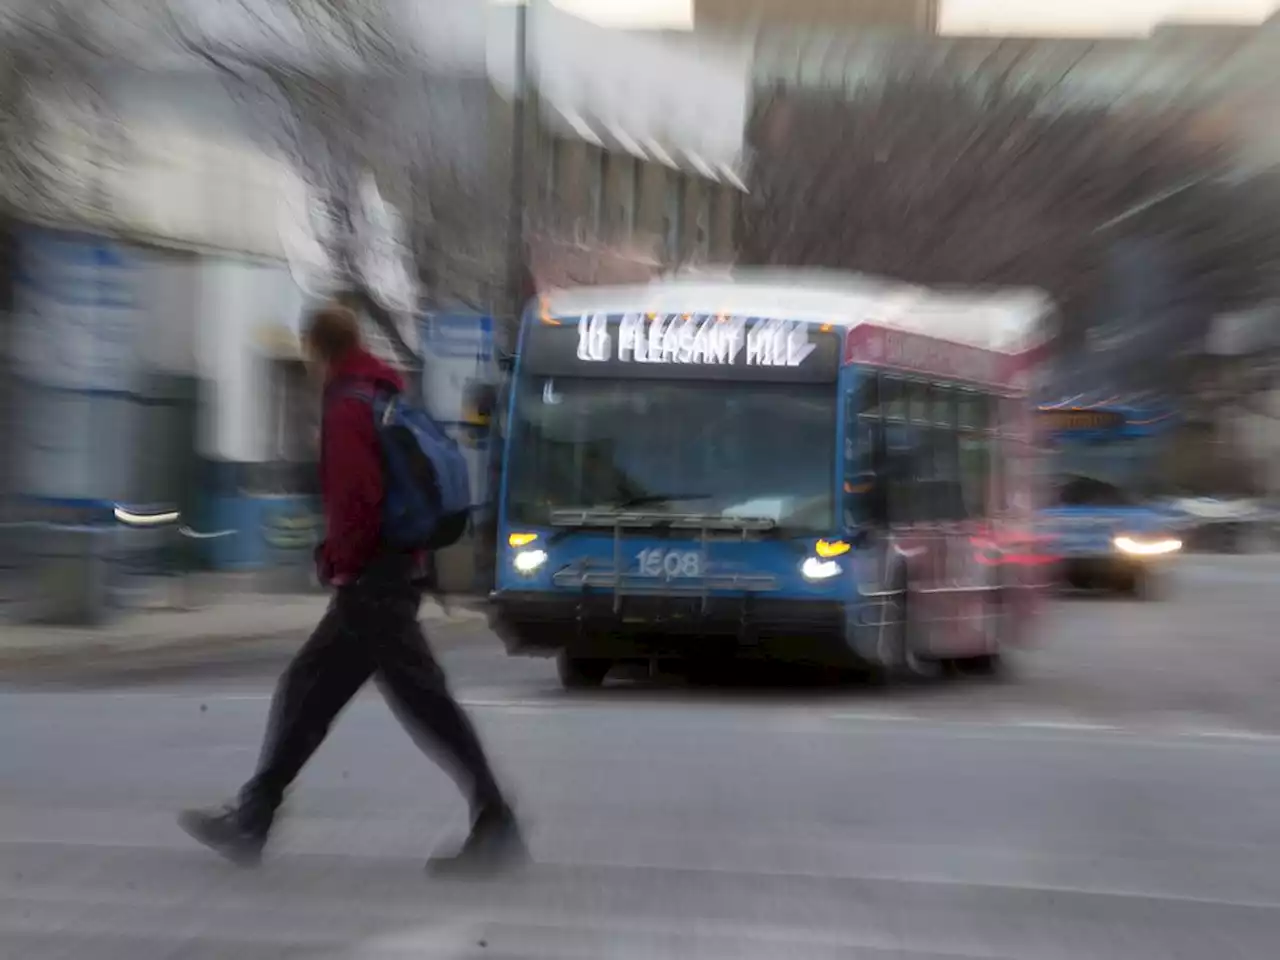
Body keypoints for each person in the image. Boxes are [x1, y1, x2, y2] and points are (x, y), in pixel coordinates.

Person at [179, 304, 524, 873]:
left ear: (317, 348)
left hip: (373, 582)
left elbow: (357, 499)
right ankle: (255, 814)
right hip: (388, 574)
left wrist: (339, 560)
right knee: (314, 688)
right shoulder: (382, 395)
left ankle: (495, 819)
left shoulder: (347, 406)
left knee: (417, 701)